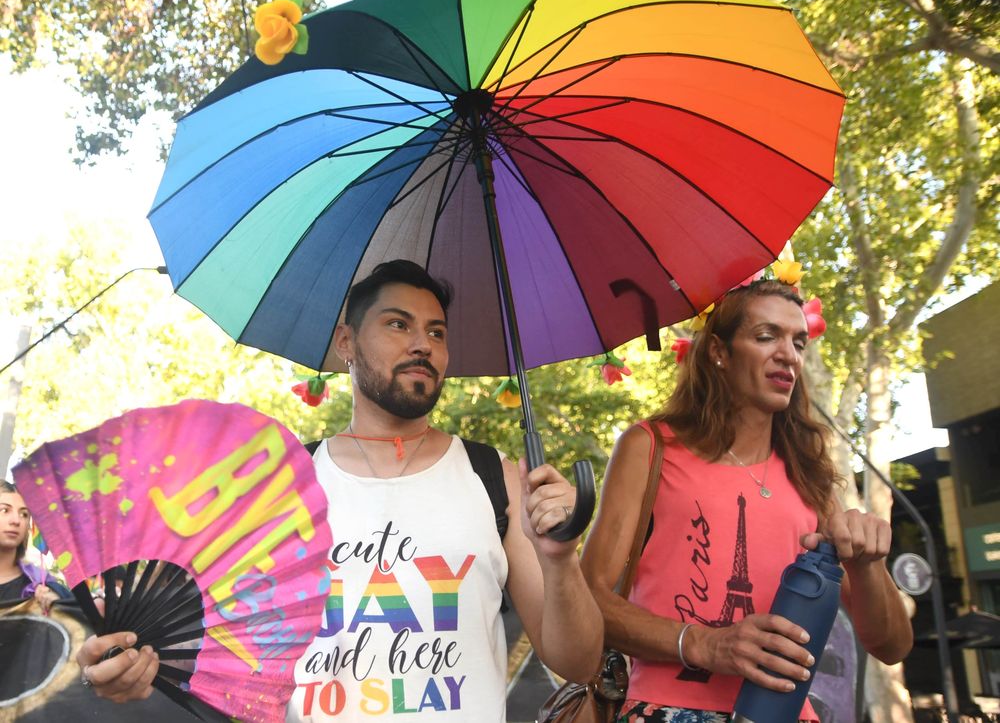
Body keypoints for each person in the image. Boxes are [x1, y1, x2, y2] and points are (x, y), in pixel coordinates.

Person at [75, 259, 604, 721]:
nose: (423, 344)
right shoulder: (280, 486)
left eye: (437, 332)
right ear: (346, 342)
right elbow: (194, 641)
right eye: (398, 324)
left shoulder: (499, 479)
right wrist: (126, 664)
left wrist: (559, 561)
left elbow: (578, 663)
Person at [581, 279, 913, 723]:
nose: (789, 354)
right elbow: (587, 598)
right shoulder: (650, 447)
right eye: (766, 336)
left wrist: (868, 565)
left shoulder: (810, 473)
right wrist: (703, 643)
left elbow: (891, 646)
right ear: (719, 351)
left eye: (798, 342)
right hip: (665, 711)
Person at [0, 479, 69, 611]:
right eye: (5, 510)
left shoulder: (42, 585)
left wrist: (57, 607)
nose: (16, 520)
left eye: (24, 514)